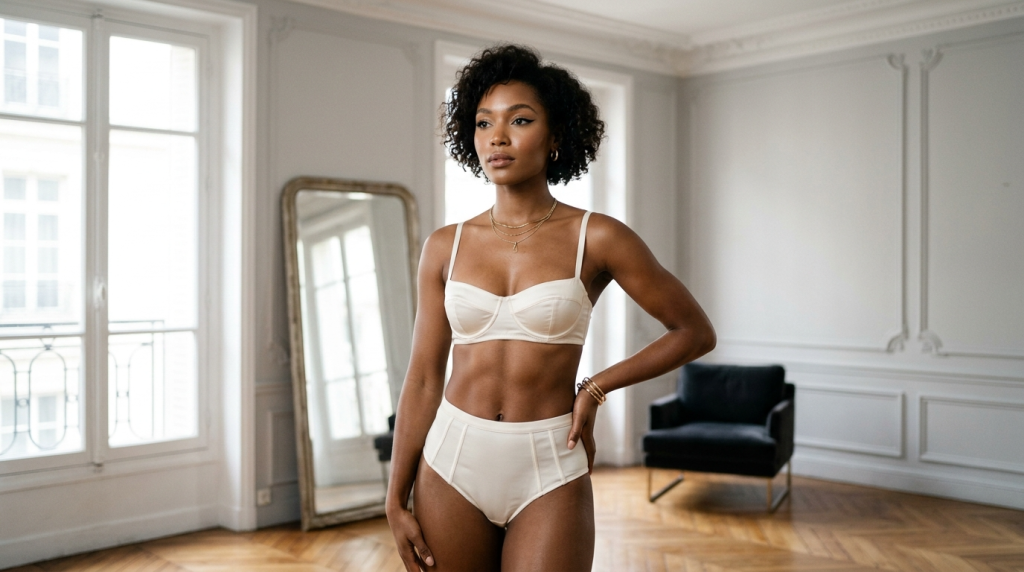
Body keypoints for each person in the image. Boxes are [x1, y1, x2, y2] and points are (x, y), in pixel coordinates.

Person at [386, 44, 716, 572]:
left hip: (549, 461)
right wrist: (394, 496)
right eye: (483, 122)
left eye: (520, 120)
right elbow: (424, 379)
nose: (498, 136)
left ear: (557, 135)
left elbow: (693, 332)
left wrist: (595, 387)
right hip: (450, 459)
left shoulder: (599, 236)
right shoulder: (444, 246)